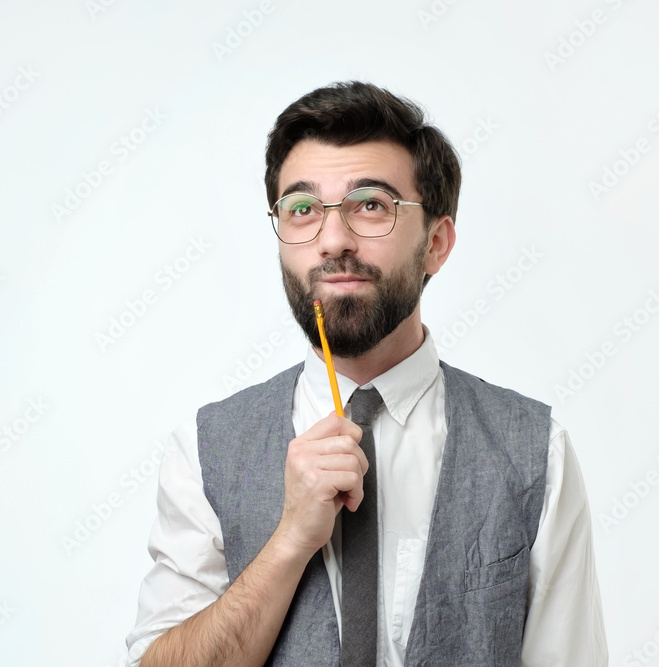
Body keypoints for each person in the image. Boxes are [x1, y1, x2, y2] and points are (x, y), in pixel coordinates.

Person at [125, 80, 608, 666]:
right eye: (302, 209)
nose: (333, 240)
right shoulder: (205, 451)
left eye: (371, 205)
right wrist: (289, 541)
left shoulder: (536, 451)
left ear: (436, 243)